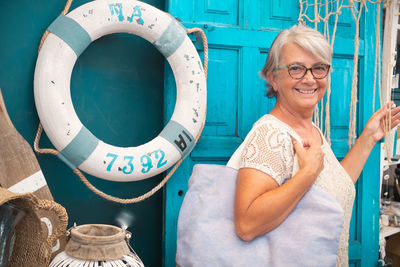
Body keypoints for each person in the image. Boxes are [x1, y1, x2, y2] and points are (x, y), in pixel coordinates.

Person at [233, 24, 400, 266]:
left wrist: (369, 137)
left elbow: (332, 187)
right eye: (296, 69)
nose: (310, 78)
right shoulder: (272, 134)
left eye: (319, 68)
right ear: (273, 78)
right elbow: (246, 225)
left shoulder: (312, 131)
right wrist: (308, 173)